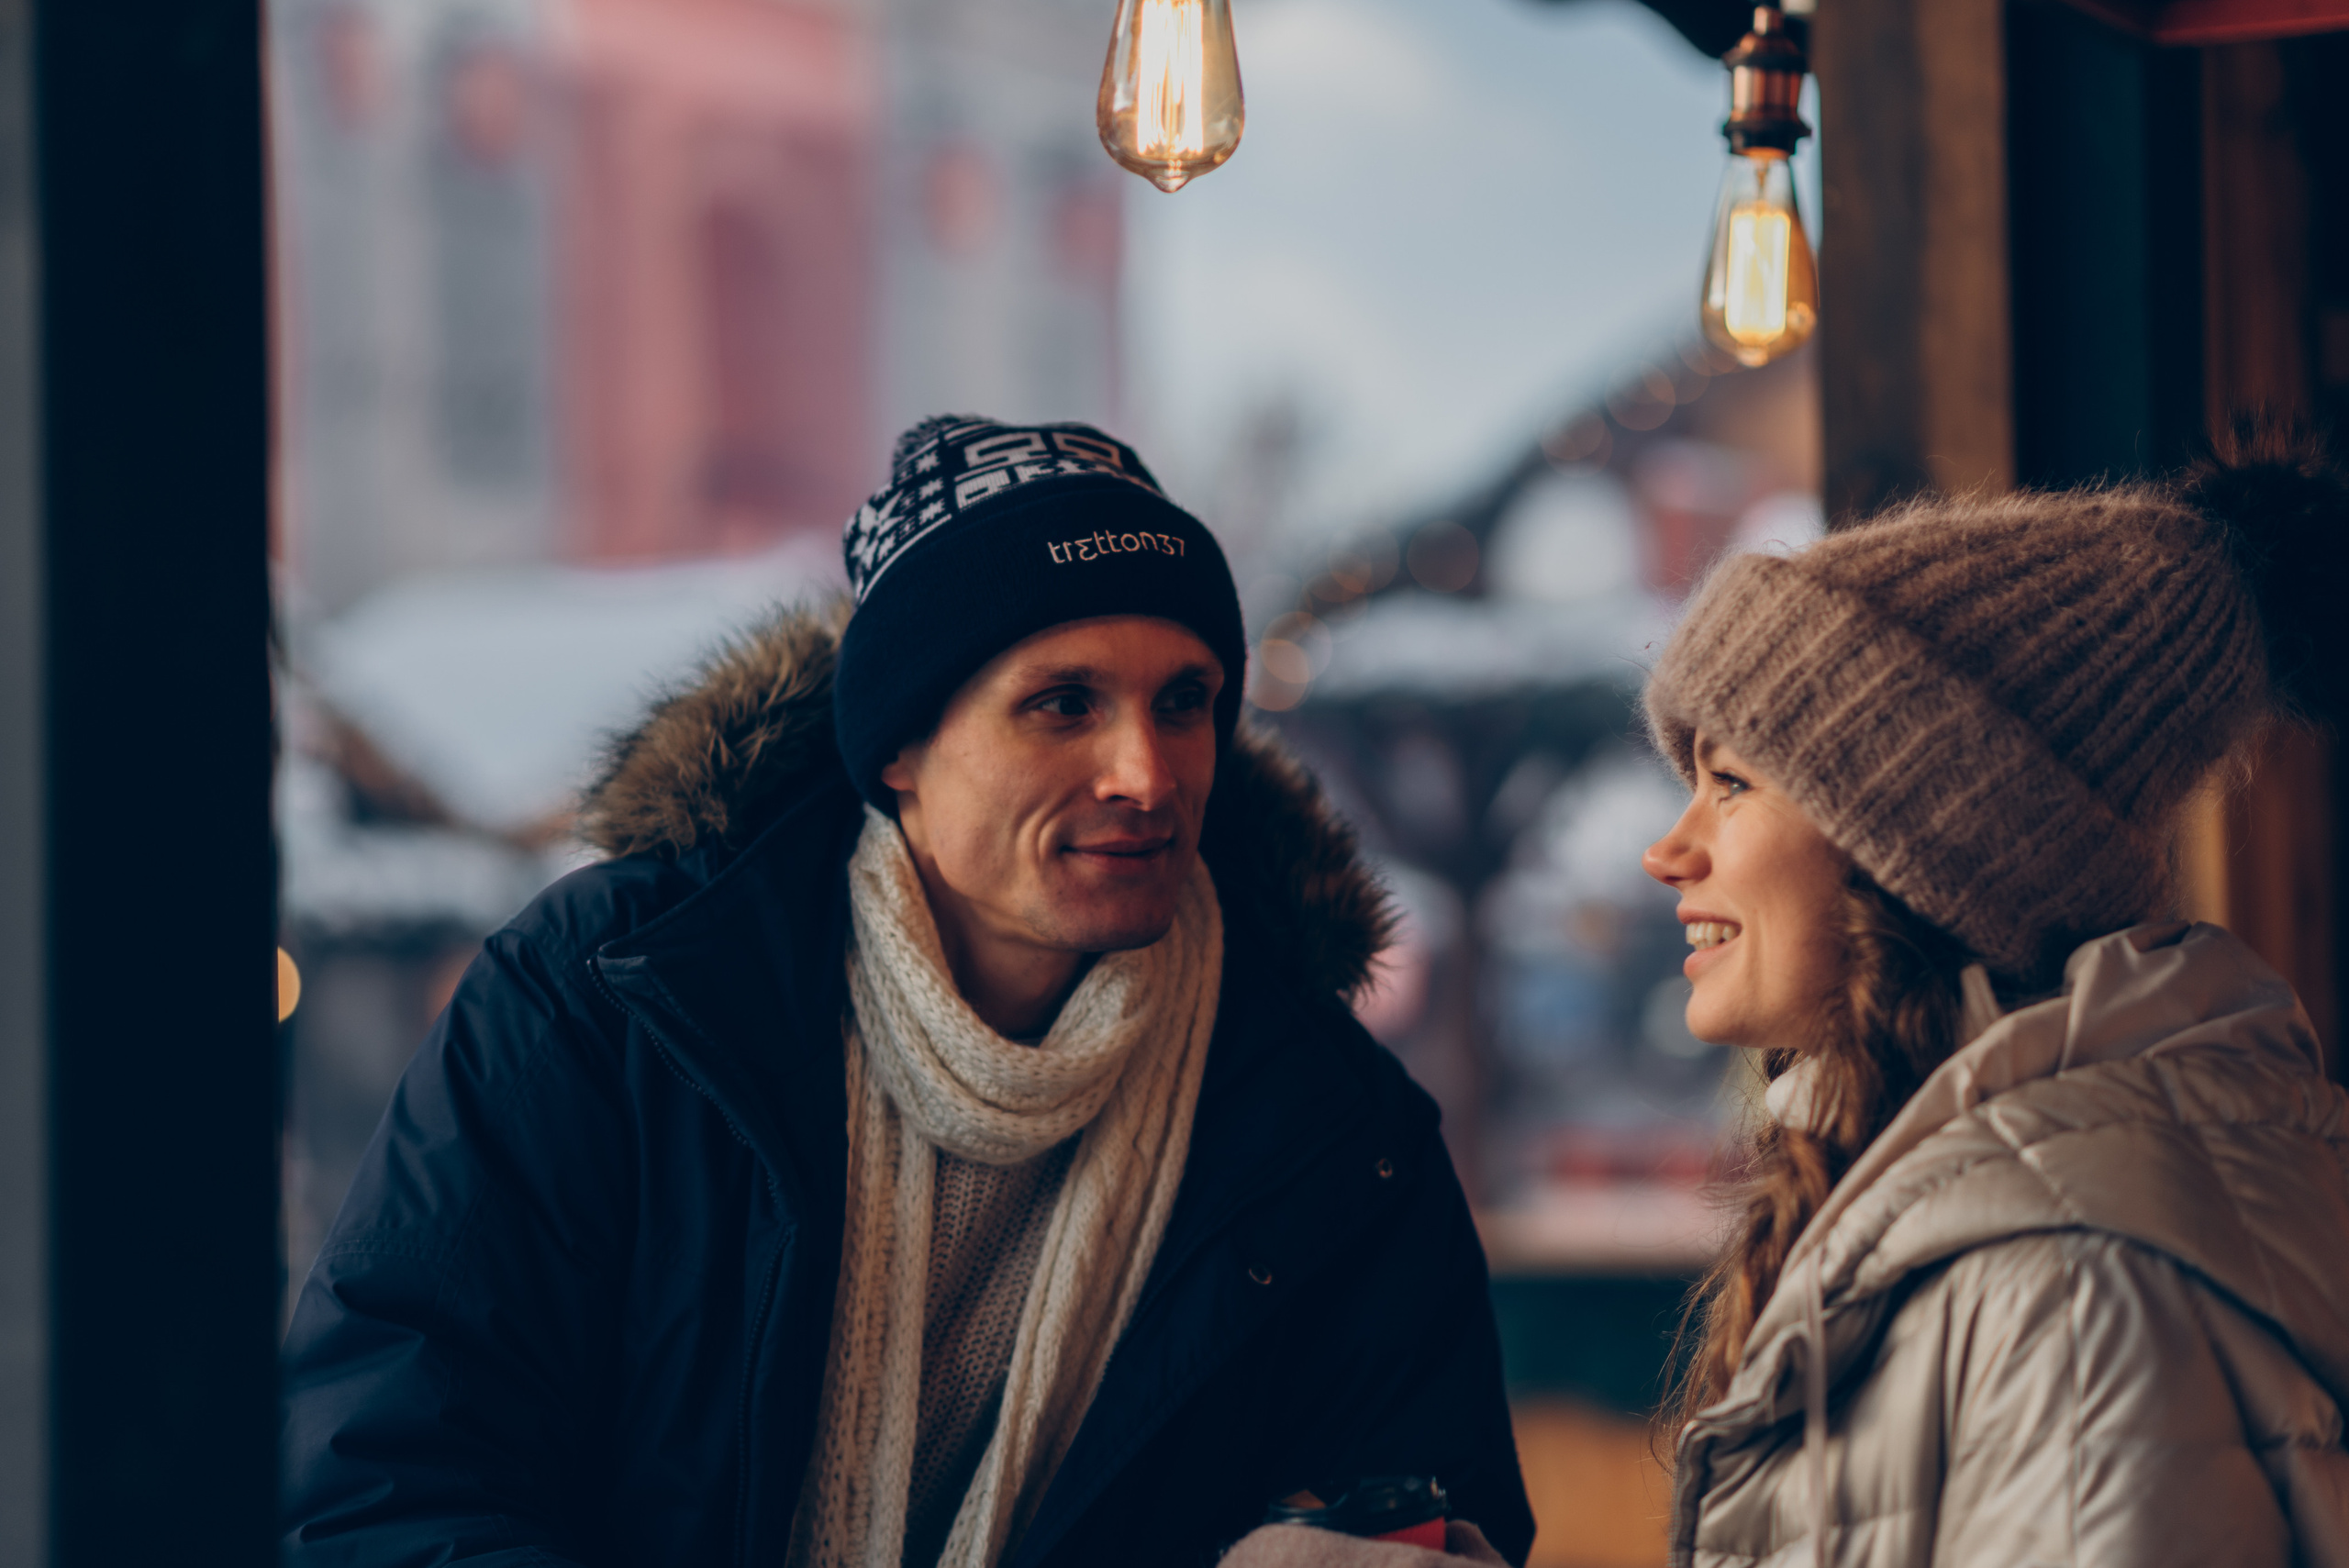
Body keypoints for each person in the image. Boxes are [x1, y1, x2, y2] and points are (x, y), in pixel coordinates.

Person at [280, 416, 1535, 1568]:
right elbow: (383, 1484)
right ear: (897, 748)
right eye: (1063, 704)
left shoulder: (1329, 1129)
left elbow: (1430, 1499)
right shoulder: (612, 1004)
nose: (1146, 772)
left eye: (1185, 701)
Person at [1222, 436, 2349, 1568]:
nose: (1668, 849)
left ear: (1927, 836)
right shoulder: (1957, 1221)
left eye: (1732, 782)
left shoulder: (2070, 1290)